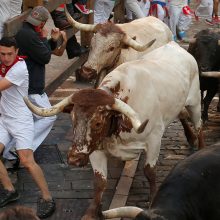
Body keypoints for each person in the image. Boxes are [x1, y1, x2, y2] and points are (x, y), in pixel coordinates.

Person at [0, 37, 55, 218]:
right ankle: (9, 189)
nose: (6, 58)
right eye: (2, 54)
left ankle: (47, 198)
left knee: (26, 161)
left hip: (21, 119)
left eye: (9, 54)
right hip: (5, 118)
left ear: (16, 52)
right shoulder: (3, 63)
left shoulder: (19, 68)